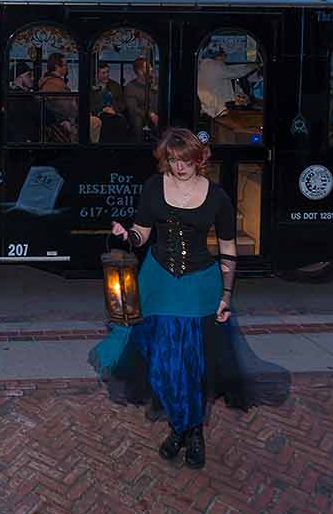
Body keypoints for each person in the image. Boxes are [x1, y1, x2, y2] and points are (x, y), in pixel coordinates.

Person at [93, 128, 289, 470]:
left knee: (195, 365)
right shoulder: (154, 187)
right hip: (158, 282)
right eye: (171, 160)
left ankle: (191, 432)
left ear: (200, 159)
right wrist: (129, 235)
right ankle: (179, 425)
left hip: (200, 284)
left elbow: (228, 249)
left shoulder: (218, 197)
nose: (178, 167)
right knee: (163, 364)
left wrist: (227, 294)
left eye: (184, 160)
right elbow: (143, 233)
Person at [40, 53, 79, 142]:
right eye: (65, 65)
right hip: (64, 120)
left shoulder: (49, 81)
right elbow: (66, 107)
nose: (67, 67)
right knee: (95, 123)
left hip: (59, 119)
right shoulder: (54, 84)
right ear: (57, 66)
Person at [121, 56, 159, 134]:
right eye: (148, 67)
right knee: (137, 120)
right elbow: (133, 107)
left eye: (151, 66)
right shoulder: (130, 87)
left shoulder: (157, 83)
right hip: (143, 117)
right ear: (140, 71)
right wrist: (150, 114)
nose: (151, 69)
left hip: (159, 114)